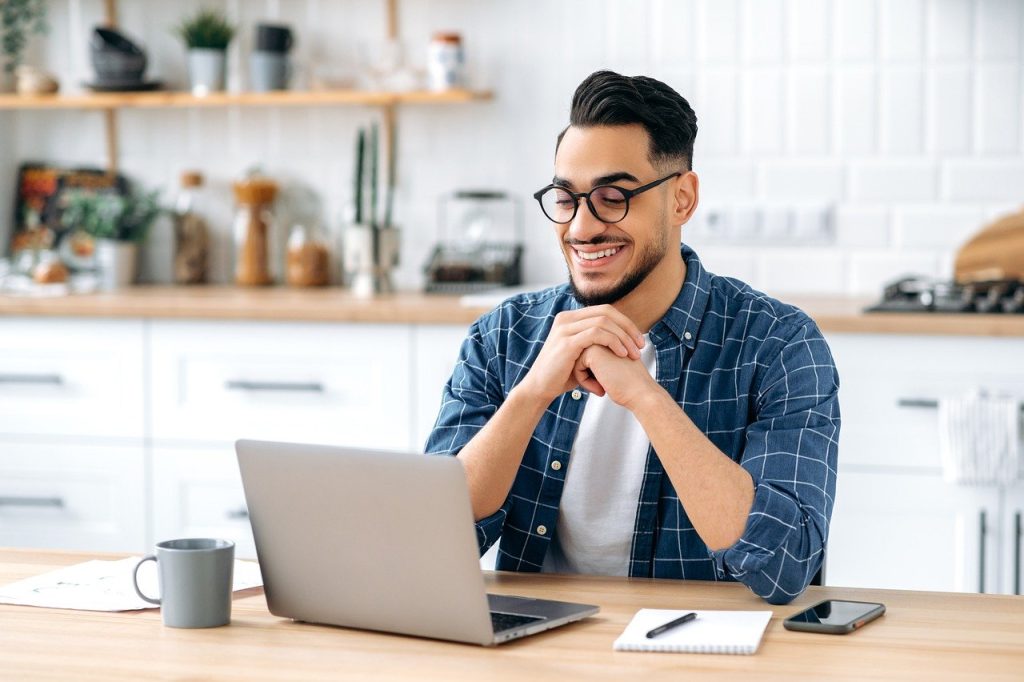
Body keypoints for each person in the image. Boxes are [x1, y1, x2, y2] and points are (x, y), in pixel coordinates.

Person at [426, 70, 839, 605]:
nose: (581, 228)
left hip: (698, 654)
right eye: (566, 198)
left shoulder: (779, 345)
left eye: (613, 197)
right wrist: (530, 395)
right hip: (535, 650)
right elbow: (437, 539)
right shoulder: (503, 337)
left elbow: (786, 564)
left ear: (682, 200)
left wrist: (645, 397)